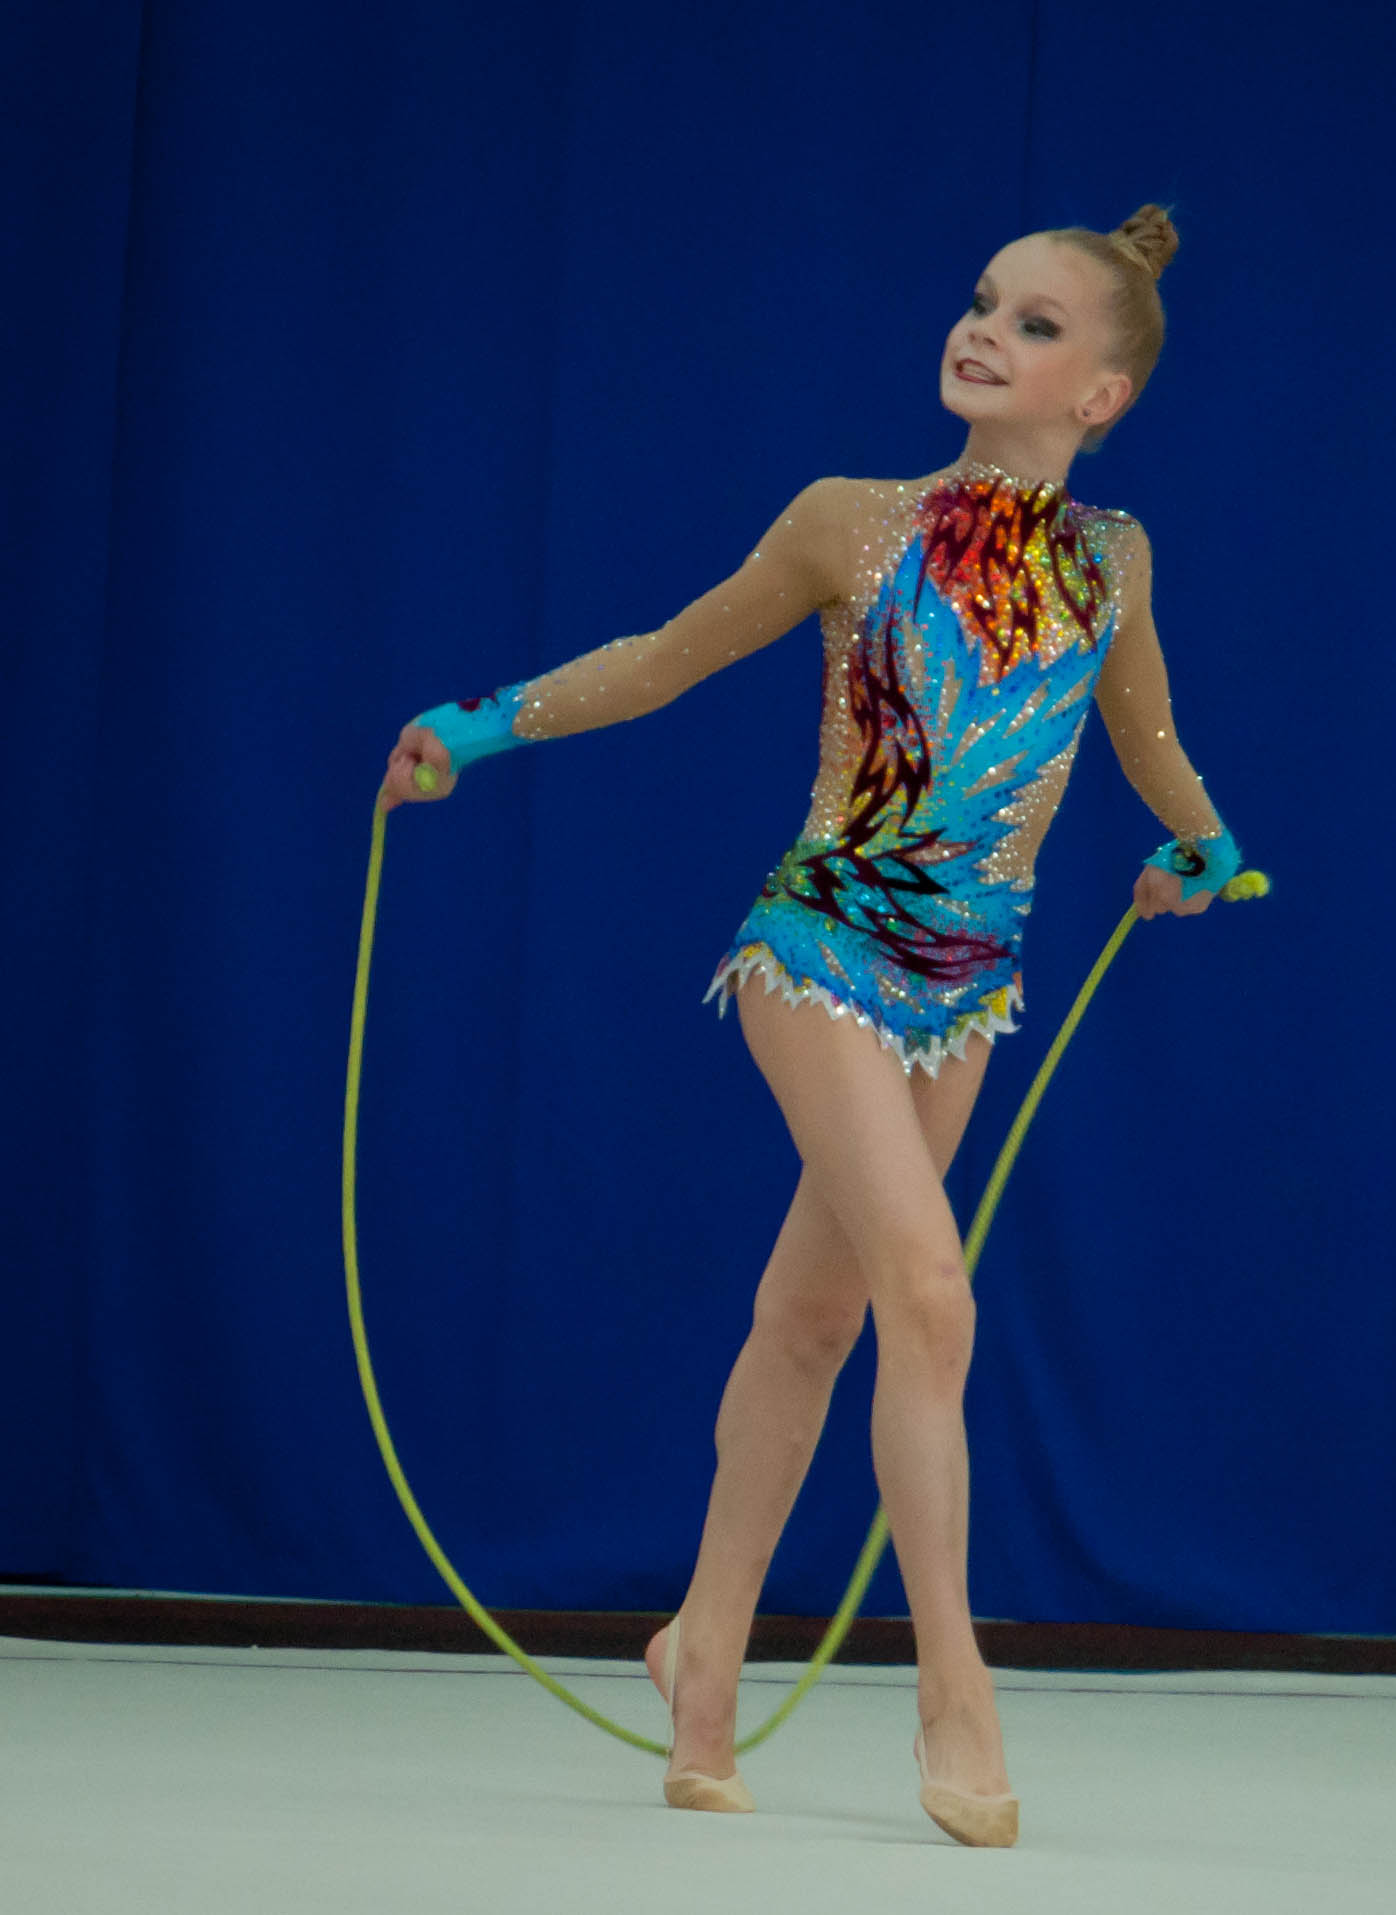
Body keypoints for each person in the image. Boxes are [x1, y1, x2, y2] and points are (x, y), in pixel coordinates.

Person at [377, 202, 1244, 1848]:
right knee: (931, 1295)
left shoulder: (1112, 559)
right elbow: (662, 659)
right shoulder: (852, 520)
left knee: (812, 1319)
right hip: (820, 948)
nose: (983, 329)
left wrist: (1206, 848)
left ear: (1101, 397)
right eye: (981, 300)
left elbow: (1143, 735)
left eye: (1034, 324)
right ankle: (954, 1688)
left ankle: (701, 1653)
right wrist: (476, 728)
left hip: (967, 986)